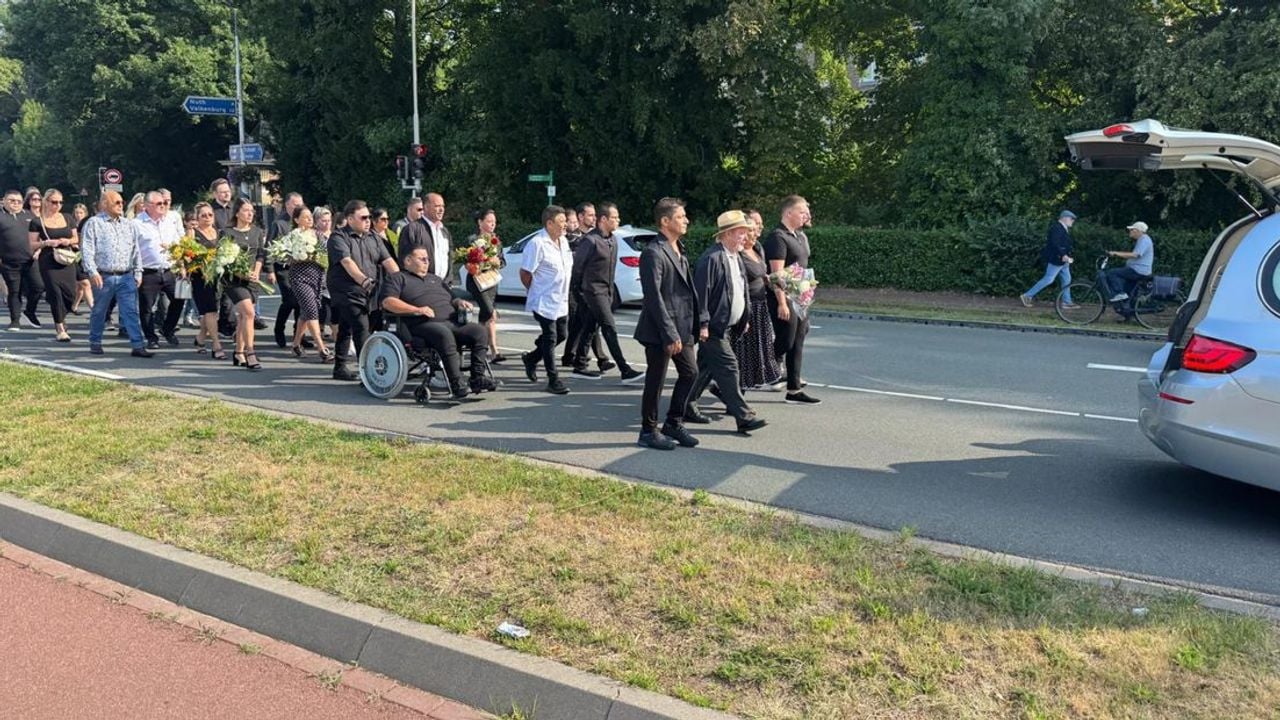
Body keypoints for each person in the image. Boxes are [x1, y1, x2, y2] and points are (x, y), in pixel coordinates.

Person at [684, 210, 768, 434]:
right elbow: (701, 294)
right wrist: (702, 324)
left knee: (705, 368)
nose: (746, 237)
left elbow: (741, 291)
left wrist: (744, 317)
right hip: (713, 326)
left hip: (728, 325)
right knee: (729, 366)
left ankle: (686, 405)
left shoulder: (735, 256)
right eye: (742, 232)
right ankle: (744, 416)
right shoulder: (711, 259)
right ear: (728, 234)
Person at [380, 247, 495, 400]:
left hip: (451, 321)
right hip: (421, 324)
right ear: (408, 261)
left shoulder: (435, 279)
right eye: (422, 259)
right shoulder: (398, 278)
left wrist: (460, 302)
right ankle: (457, 383)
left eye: (428, 258)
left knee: (479, 331)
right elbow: (388, 302)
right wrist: (417, 309)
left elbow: (452, 298)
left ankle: (477, 377)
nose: (427, 262)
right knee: (443, 333)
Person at [634, 197, 700, 450]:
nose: (686, 220)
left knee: (690, 372)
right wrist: (670, 333)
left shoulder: (679, 248)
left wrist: (699, 323)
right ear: (665, 221)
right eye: (681, 216)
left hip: (683, 326)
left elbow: (687, 291)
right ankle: (648, 431)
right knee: (656, 380)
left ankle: (673, 422)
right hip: (660, 330)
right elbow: (654, 297)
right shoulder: (653, 252)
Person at [327, 200, 398, 381]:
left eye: (370, 217)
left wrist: (403, 282)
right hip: (347, 290)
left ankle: (340, 367)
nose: (368, 221)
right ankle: (369, 373)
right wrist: (364, 281)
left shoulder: (374, 237)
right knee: (360, 327)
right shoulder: (338, 237)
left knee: (346, 326)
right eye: (364, 217)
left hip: (370, 292)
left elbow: (388, 261)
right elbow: (347, 263)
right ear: (350, 219)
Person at [570, 202, 641, 381]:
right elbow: (578, 268)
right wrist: (578, 291)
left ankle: (579, 364)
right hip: (593, 291)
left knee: (589, 327)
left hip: (607, 291)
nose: (618, 220)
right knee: (609, 327)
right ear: (603, 219)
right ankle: (625, 369)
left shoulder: (612, 239)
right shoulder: (590, 241)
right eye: (614, 218)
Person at [81, 190, 152, 357]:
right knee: (100, 310)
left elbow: (136, 250)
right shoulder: (94, 223)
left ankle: (137, 345)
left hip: (126, 275)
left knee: (130, 311)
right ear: (105, 204)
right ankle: (95, 341)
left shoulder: (128, 224)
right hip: (104, 275)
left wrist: (138, 272)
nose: (121, 205)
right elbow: (87, 250)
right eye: (116, 202)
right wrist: (92, 271)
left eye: (122, 202)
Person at [765, 195, 820, 405]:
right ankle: (757, 367)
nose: (806, 215)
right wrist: (781, 302)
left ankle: (794, 390)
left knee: (798, 341)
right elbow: (776, 273)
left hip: (800, 293)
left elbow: (802, 268)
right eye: (802, 211)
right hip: (785, 295)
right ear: (789, 213)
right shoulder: (777, 237)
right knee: (786, 340)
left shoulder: (801, 236)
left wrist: (806, 293)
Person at [519, 205, 574, 395]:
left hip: (561, 299)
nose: (565, 225)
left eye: (565, 221)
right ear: (549, 224)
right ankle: (553, 379)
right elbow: (525, 272)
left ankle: (532, 358)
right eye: (561, 222)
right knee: (550, 338)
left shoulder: (563, 241)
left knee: (562, 335)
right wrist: (535, 290)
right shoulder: (537, 243)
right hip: (544, 300)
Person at [734, 209, 783, 391]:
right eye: (752, 229)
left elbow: (763, 275)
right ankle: (734, 395)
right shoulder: (738, 254)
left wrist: (774, 281)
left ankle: (739, 392)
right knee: (743, 354)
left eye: (756, 229)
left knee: (756, 353)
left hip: (761, 307)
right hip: (748, 308)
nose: (756, 232)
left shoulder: (757, 249)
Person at [222, 198, 272, 371]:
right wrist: (241, 273)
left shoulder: (257, 231)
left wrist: (257, 271)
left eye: (252, 211)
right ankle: (251, 353)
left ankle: (238, 352)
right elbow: (224, 259)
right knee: (249, 313)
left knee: (244, 317)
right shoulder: (227, 232)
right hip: (233, 280)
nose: (250, 214)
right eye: (246, 210)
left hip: (252, 279)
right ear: (237, 213)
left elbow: (260, 254)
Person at [134, 190, 186, 349]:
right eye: (159, 204)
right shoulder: (137, 223)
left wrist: (182, 265)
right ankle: (151, 337)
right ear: (147, 206)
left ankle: (167, 329)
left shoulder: (169, 221)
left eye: (164, 203)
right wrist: (137, 272)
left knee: (180, 298)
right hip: (148, 271)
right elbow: (134, 249)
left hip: (170, 269)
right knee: (147, 307)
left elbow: (178, 244)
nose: (163, 206)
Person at [29, 188, 78, 342]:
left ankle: (62, 316)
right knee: (55, 293)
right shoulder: (37, 221)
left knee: (71, 294)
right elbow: (31, 244)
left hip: (66, 258)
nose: (57, 205)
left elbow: (76, 238)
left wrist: (67, 241)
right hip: (48, 259)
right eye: (54, 202)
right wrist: (45, 243)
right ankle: (60, 327)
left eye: (60, 202)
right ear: (46, 202)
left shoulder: (68, 218)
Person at [562, 202, 606, 370]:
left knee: (582, 322)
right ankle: (599, 358)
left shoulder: (596, 236)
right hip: (574, 287)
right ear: (580, 217)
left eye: (595, 215)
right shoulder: (571, 239)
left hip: (588, 286)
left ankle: (571, 355)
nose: (594, 218)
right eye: (590, 215)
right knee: (583, 321)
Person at [285, 206, 332, 362]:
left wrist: (319, 257)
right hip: (299, 278)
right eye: (305, 217)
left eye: (310, 217)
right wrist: (299, 256)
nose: (309, 220)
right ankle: (321, 348)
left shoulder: (318, 235)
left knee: (306, 311)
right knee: (311, 310)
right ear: (297, 220)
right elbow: (285, 258)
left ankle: (296, 344)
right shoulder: (293, 236)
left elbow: (326, 254)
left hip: (317, 277)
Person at [464, 208, 507, 362]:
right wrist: (484, 260)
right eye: (489, 221)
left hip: (491, 281)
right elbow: (467, 260)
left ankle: (483, 348)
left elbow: (502, 261)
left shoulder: (496, 240)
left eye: (494, 222)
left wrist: (497, 262)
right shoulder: (472, 240)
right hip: (477, 282)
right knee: (490, 312)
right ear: (480, 222)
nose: (492, 225)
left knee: (485, 316)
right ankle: (492, 348)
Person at [188, 202, 227, 360]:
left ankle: (200, 339)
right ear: (197, 217)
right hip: (200, 277)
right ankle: (216, 345)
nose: (207, 218)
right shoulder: (193, 233)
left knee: (210, 313)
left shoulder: (219, 232)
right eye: (203, 215)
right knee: (210, 310)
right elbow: (187, 254)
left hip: (217, 277)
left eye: (210, 215)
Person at [1, 189, 41, 331]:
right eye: (12, 201)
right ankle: (15, 320)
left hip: (30, 260)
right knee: (14, 291)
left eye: (18, 201)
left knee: (38, 287)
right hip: (8, 262)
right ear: (4, 200)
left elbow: (40, 235)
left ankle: (29, 311)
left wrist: (39, 250)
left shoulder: (30, 216)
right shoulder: (1, 217)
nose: (15, 204)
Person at [269, 191, 305, 347]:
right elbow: (269, 248)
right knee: (290, 300)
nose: (299, 207)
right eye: (295, 204)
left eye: (300, 204)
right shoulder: (278, 224)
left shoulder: (302, 223)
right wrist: (269, 270)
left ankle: (299, 335)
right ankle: (279, 329)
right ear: (287, 205)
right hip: (283, 268)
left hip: (301, 268)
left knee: (301, 302)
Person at [1020, 210, 1076, 308]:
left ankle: (1067, 301)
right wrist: (1063, 255)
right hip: (1057, 258)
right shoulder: (1057, 228)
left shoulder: (1062, 228)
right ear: (1064, 217)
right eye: (1071, 219)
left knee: (1067, 279)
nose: (1072, 221)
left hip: (1062, 260)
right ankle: (1027, 295)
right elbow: (1055, 243)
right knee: (1049, 279)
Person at [1101, 221, 1156, 316]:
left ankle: (1119, 293)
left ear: (1138, 231)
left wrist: (1116, 253)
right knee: (1128, 294)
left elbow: (1135, 255)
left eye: (1132, 229)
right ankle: (1127, 314)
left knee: (1112, 273)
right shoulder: (1142, 240)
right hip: (1136, 270)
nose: (1130, 231)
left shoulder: (1144, 240)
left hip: (1138, 271)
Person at [397, 192, 451, 278]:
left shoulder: (444, 231)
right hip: (421, 285)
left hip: (443, 286)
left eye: (443, 206)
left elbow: (448, 258)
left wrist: (449, 281)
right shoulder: (412, 229)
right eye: (437, 206)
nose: (441, 210)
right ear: (425, 207)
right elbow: (404, 260)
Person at [70, 202, 93, 315]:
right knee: (85, 283)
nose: (79, 215)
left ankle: (73, 306)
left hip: (86, 256)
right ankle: (94, 310)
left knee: (80, 288)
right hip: (75, 256)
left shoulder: (89, 224)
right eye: (77, 213)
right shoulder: (71, 224)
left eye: (81, 212)